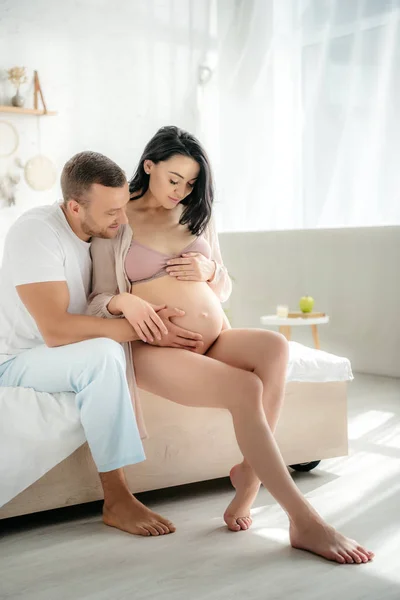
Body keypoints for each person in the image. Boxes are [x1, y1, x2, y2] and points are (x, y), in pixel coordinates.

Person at [88, 126, 374, 564]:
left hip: (214, 337)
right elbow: (98, 299)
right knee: (246, 389)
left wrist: (208, 271)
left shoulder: (194, 214)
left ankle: (250, 475)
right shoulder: (118, 218)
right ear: (149, 166)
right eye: (173, 179)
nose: (181, 191)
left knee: (275, 348)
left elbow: (223, 287)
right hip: (154, 348)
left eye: (190, 183)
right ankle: (303, 519)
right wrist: (133, 310)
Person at [0, 151, 208, 537]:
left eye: (124, 206)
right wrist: (146, 330)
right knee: (103, 355)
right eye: (112, 212)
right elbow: (56, 331)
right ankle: (116, 498)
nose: (122, 219)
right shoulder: (37, 233)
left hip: (61, 351)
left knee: (108, 351)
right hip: (17, 359)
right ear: (75, 207)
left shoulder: (102, 235)